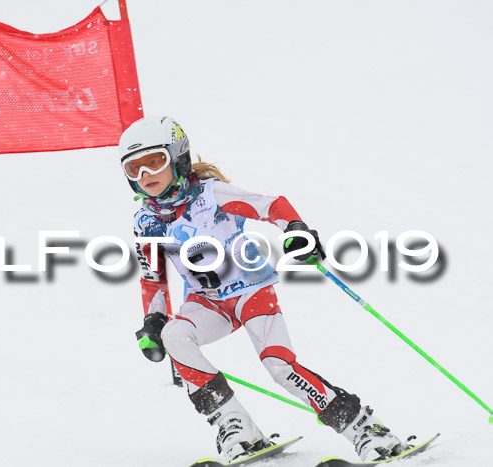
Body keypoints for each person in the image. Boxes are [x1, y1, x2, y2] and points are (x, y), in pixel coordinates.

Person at [119, 116, 404, 463]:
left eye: (155, 161)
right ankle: (235, 425)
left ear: (178, 157)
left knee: (279, 367)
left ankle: (364, 428)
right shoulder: (144, 221)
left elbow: (272, 205)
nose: (146, 175)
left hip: (251, 291)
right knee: (175, 336)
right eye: (134, 168)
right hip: (207, 303)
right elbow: (153, 277)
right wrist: (154, 321)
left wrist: (296, 231)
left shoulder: (211, 194)